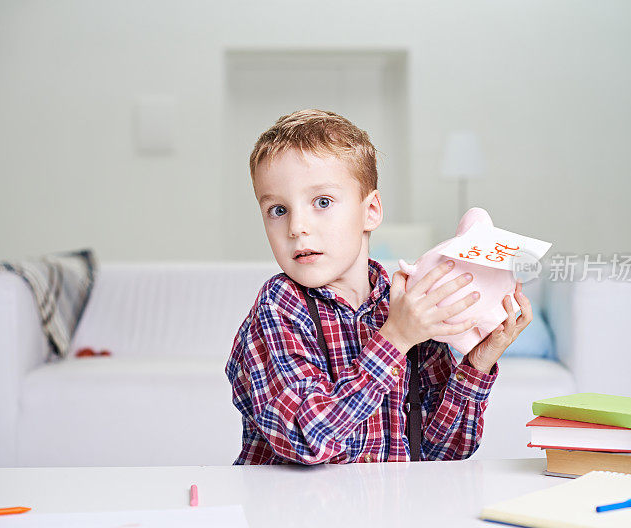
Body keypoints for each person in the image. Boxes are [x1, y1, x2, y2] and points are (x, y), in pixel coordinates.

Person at [225, 109, 532, 465]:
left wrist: (479, 361)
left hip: (387, 517)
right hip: (294, 517)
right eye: (277, 210)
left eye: (322, 202)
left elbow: (443, 450)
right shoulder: (279, 308)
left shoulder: (408, 305)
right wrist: (396, 339)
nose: (297, 227)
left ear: (370, 211)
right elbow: (307, 440)